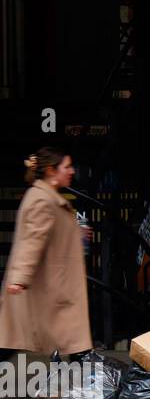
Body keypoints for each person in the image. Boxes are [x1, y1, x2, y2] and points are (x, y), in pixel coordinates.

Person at [0, 147, 93, 358]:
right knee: (74, 344)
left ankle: (85, 387)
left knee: (75, 345)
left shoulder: (47, 198)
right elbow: (31, 241)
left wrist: (76, 233)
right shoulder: (43, 200)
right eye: (67, 167)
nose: (71, 171)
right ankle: (88, 387)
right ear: (51, 170)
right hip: (48, 287)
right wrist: (20, 278)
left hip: (53, 286)